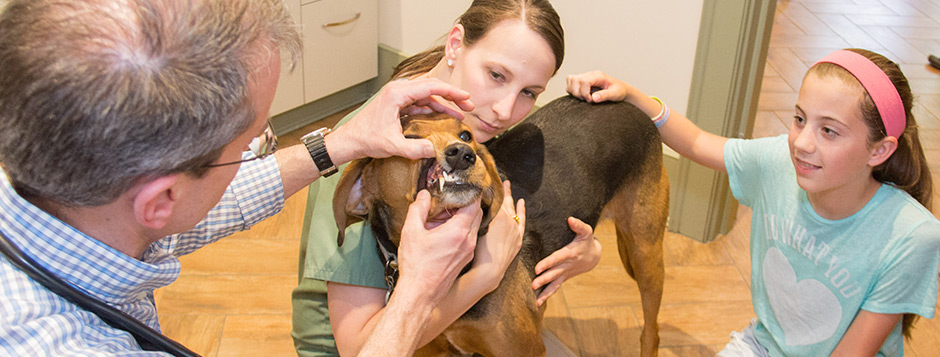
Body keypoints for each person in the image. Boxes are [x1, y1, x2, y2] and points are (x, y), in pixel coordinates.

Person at [0, 0, 489, 355]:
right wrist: (417, 295)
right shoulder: (54, 344)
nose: (257, 152)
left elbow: (220, 200)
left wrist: (342, 143)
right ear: (160, 199)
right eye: (253, 143)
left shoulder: (87, 205)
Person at [566, 48, 939, 356]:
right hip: (764, 346)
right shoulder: (781, 161)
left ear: (880, 150)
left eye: (829, 130)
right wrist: (631, 95)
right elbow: (697, 143)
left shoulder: (912, 237)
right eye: (799, 119)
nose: (803, 143)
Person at [291, 0, 605, 355]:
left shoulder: (466, 121)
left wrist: (589, 251)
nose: (505, 111)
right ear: (455, 45)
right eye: (496, 75)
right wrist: (482, 278)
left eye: (529, 93)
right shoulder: (367, 150)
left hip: (435, 312)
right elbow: (358, 348)